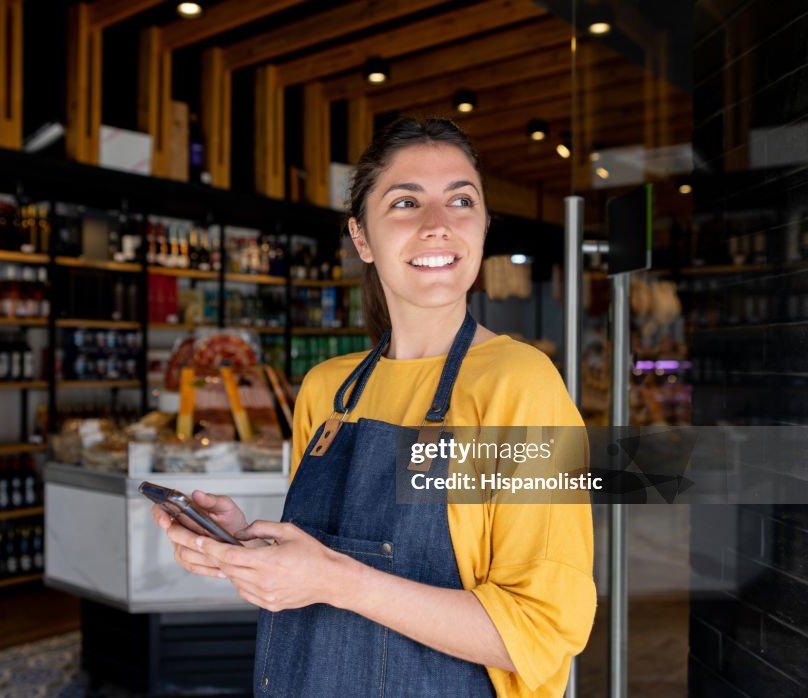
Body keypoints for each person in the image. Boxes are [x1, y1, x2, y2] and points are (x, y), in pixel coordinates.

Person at [152, 117, 596, 697]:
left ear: (483, 227)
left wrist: (335, 580)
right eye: (406, 202)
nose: (437, 225)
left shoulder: (521, 385)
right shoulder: (328, 393)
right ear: (362, 237)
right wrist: (247, 552)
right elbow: (316, 570)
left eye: (460, 200)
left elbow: (542, 629)